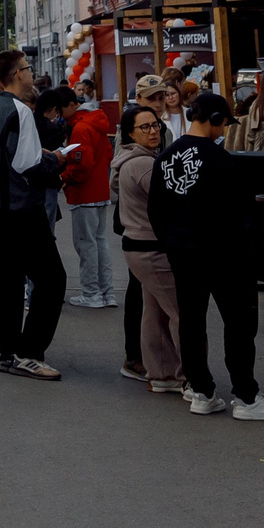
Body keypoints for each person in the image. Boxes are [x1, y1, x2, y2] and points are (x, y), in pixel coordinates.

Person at [150, 91, 264, 421]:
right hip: (225, 256)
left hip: (182, 254)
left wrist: (172, 242)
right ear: (213, 119)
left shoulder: (165, 157)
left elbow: (156, 211)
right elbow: (239, 213)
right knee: (238, 325)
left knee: (192, 322)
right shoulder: (220, 160)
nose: (224, 128)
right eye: (223, 122)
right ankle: (245, 396)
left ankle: (202, 391)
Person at [0, 50, 68, 379]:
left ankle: (10, 348)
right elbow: (26, 164)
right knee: (53, 279)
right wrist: (55, 159)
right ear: (16, 74)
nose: (31, 73)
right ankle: (29, 353)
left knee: (9, 279)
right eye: (27, 69)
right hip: (19, 207)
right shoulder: (20, 110)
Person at [112, 104, 184, 393]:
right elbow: (173, 200)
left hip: (139, 247)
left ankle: (162, 374)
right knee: (183, 313)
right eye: (145, 127)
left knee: (155, 313)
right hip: (151, 247)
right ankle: (189, 377)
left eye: (155, 125)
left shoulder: (129, 159)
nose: (153, 131)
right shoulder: (143, 164)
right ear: (130, 133)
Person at [59, 89, 116, 309]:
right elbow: (108, 155)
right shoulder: (96, 122)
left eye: (61, 109)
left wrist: (63, 177)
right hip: (100, 191)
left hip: (84, 193)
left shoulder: (80, 127)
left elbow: (81, 165)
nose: (60, 115)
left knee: (86, 244)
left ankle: (91, 292)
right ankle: (107, 291)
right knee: (101, 243)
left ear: (72, 105)